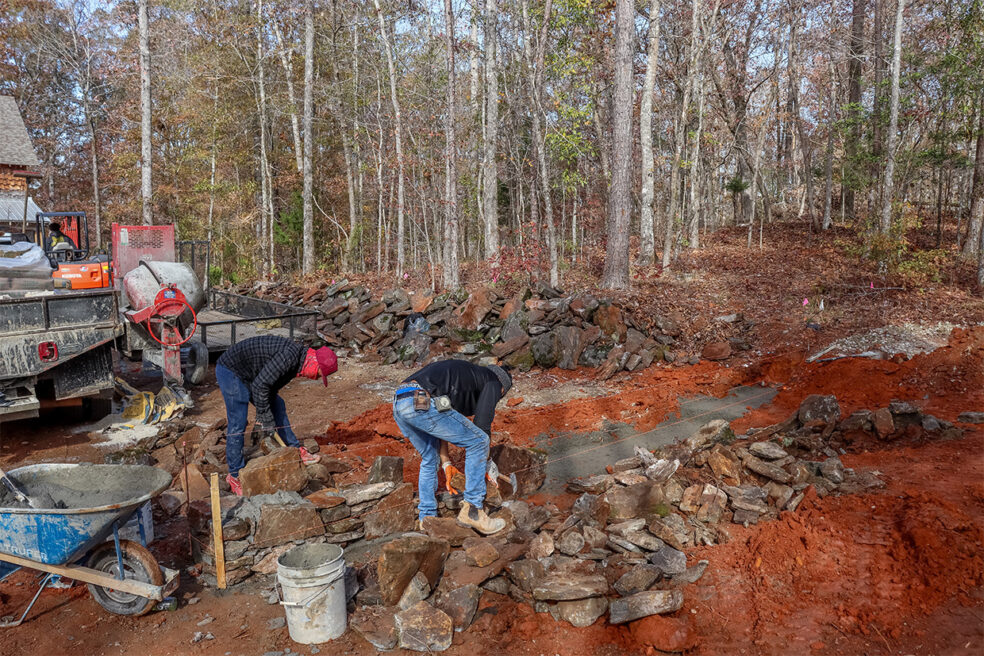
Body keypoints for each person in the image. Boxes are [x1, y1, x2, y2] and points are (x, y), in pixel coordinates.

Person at [392, 360, 512, 534]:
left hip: (402, 399)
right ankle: (473, 510)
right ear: (503, 388)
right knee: (479, 441)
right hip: (420, 398)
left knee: (430, 457)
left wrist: (446, 463)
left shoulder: (464, 379)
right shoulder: (494, 382)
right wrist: (487, 462)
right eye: (501, 395)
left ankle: (426, 520)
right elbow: (482, 425)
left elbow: (443, 423)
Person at [216, 335, 337, 495]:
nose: (315, 377)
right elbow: (260, 386)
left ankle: (294, 450)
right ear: (314, 361)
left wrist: (268, 416)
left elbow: (269, 388)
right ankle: (234, 475)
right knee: (238, 420)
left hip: (252, 374)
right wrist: (265, 417)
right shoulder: (290, 357)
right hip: (231, 370)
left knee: (278, 405)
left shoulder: (297, 362)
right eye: (318, 373)